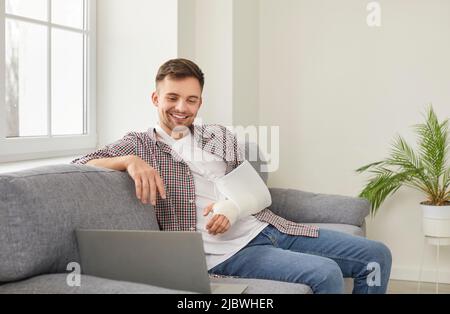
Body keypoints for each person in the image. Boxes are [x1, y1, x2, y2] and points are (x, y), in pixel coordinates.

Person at [72, 58, 392, 294]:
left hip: (269, 227)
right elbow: (80, 163)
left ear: (200, 102)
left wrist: (231, 207)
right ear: (156, 99)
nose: (181, 107)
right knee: (325, 274)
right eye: (172, 97)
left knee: (377, 255)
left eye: (191, 99)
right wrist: (129, 161)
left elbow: (252, 191)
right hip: (227, 253)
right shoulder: (140, 144)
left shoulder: (217, 135)